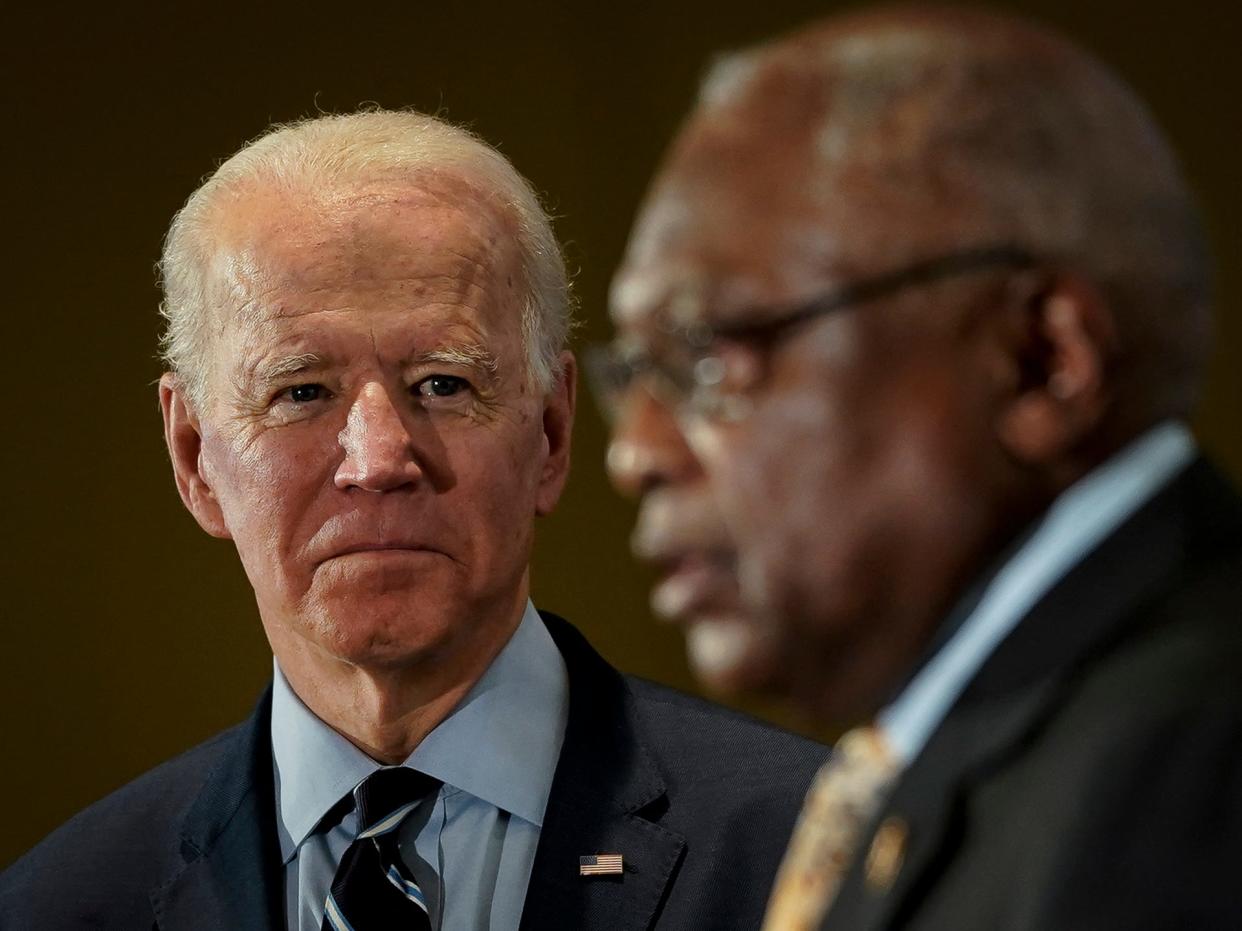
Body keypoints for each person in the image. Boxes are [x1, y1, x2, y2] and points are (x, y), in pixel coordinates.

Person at [0, 110, 825, 930]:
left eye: (442, 383)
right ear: (193, 457)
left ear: (551, 432)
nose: (378, 459)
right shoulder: (55, 905)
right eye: (301, 392)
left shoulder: (810, 858)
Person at [597, 6, 1241, 928]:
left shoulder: (1194, 772)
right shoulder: (954, 765)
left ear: (1039, 360)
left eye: (710, 352)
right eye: (636, 372)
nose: (636, 454)